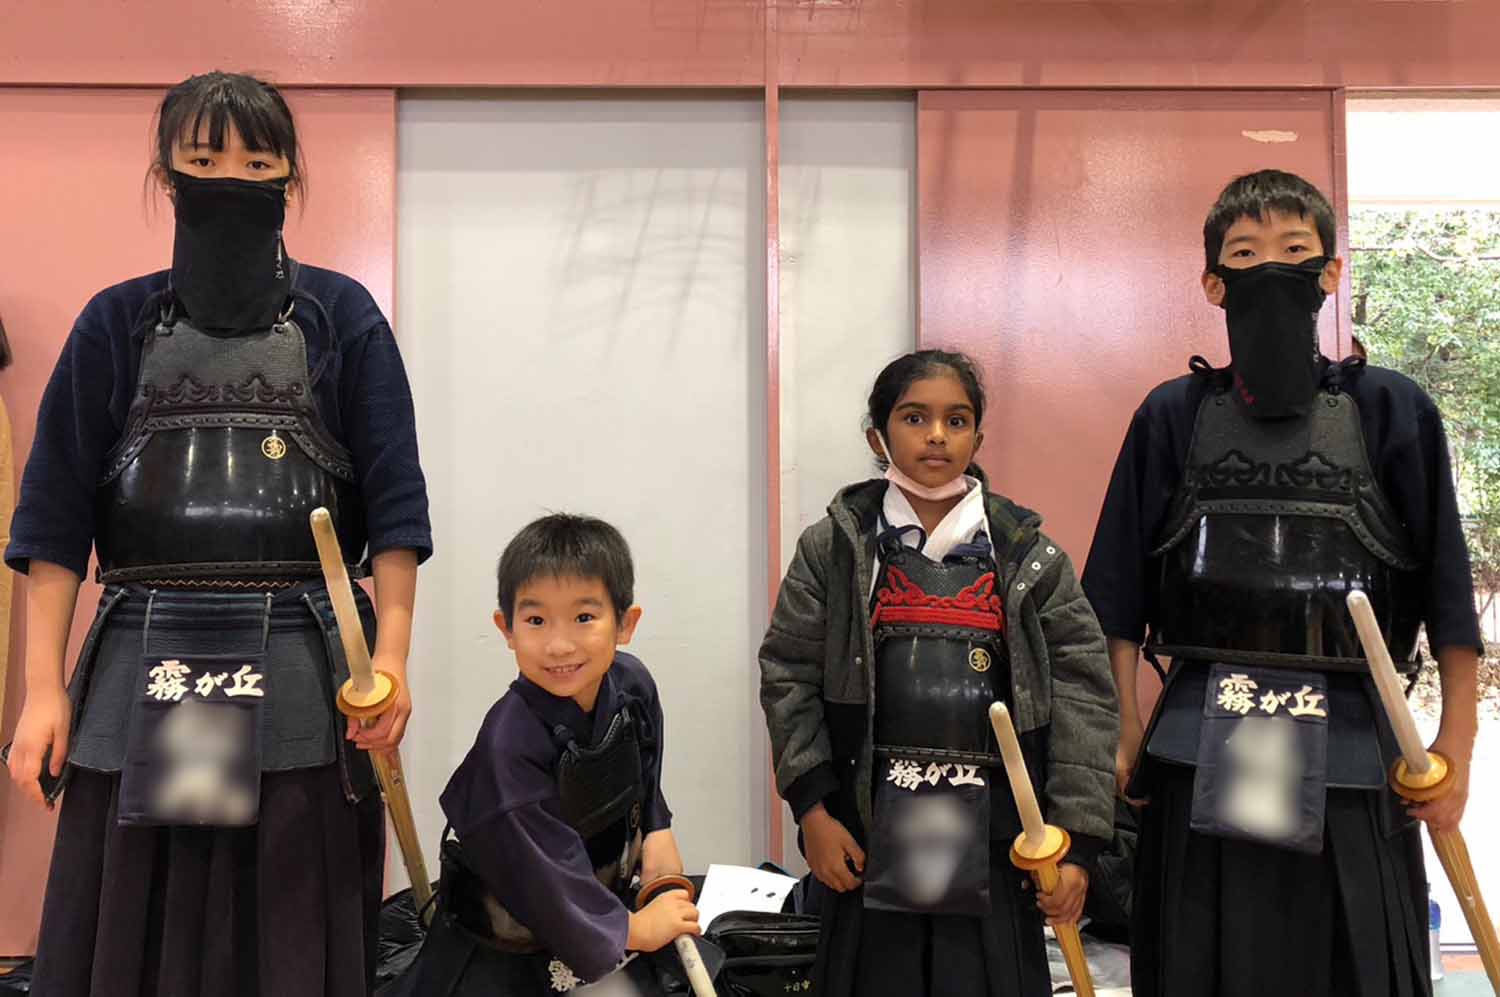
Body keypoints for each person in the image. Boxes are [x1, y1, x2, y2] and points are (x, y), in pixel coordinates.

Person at [4, 71, 432, 997]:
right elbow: (53, 520)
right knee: (133, 931)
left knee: (287, 931)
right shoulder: (113, 321)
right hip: (138, 658)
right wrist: (42, 690)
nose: (228, 179)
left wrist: (392, 661)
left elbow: (397, 510)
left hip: (306, 669)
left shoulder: (343, 317)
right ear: (167, 175)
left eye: (256, 162)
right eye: (202, 161)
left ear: (290, 177)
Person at [1083, 169, 1482, 997]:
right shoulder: (1171, 415)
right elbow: (1115, 595)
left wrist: (1457, 745)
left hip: (1356, 743)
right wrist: (1124, 729)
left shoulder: (1390, 408)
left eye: (1294, 248)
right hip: (1196, 739)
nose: (1271, 267)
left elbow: (1449, 595)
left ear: (1330, 271)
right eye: (1244, 253)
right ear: (1212, 282)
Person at [759, 349, 1118, 997]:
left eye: (956, 420)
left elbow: (1084, 694)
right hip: (868, 834)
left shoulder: (1027, 555)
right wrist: (813, 808)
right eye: (914, 417)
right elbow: (788, 673)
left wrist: (1078, 844)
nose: (936, 435)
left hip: (997, 842)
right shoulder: (834, 548)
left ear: (977, 438)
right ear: (877, 436)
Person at [386, 514, 703, 996]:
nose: (558, 645)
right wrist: (635, 929)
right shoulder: (508, 747)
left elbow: (645, 768)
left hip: (600, 906)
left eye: (584, 618)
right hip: (509, 943)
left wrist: (657, 830)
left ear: (625, 623)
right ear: (507, 628)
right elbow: (542, 880)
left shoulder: (632, 684)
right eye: (536, 620)